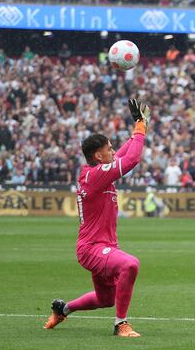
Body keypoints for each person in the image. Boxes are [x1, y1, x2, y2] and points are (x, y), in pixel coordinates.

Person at [44, 99, 150, 337]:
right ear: (98, 155)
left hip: (101, 245)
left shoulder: (98, 173)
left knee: (106, 299)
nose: (114, 151)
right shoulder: (95, 176)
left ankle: (63, 309)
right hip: (92, 248)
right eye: (109, 149)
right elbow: (132, 159)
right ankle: (120, 324)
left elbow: (124, 154)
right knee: (130, 264)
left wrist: (139, 125)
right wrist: (140, 128)